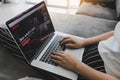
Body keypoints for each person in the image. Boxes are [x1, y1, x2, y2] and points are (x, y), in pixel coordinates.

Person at [51, 22, 120, 80]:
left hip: (94, 73)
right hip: (92, 53)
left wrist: (76, 65)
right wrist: (84, 42)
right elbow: (116, 33)